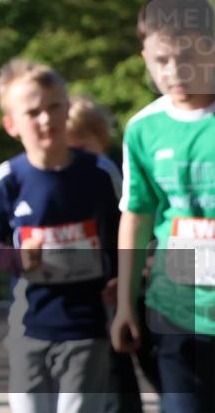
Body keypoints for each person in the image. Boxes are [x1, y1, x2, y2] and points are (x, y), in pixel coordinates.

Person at [0, 61, 120, 413]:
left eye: (54, 107)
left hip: (89, 325)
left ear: (67, 109)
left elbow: (121, 234)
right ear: (11, 124)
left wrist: (122, 280)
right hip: (28, 325)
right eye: (33, 112)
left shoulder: (100, 173)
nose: (46, 119)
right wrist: (17, 259)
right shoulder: (7, 178)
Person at [111, 0, 215, 413]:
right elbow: (136, 214)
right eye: (161, 60)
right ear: (145, 58)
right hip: (174, 313)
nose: (174, 71)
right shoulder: (142, 129)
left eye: (186, 57)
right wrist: (124, 305)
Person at [67, 97, 161, 411]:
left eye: (81, 144)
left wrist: (129, 274)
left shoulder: (105, 172)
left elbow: (134, 224)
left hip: (128, 284)